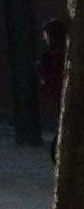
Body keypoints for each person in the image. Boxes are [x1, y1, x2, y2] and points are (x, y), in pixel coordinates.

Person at [41, 18, 67, 146]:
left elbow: (54, 80)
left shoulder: (57, 56)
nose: (44, 39)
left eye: (46, 35)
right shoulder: (59, 55)